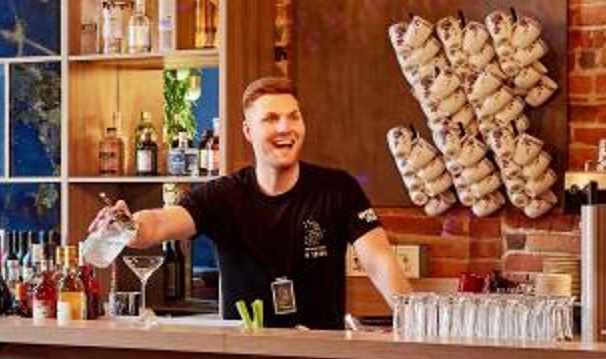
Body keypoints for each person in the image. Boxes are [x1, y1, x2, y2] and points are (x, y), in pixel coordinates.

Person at [90, 75, 405, 331]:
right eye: (271, 119)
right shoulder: (221, 195)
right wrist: (129, 225)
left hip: (319, 358)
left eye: (293, 117)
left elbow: (379, 259)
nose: (285, 127)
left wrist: (416, 323)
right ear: (247, 131)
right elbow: (159, 223)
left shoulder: (338, 189)